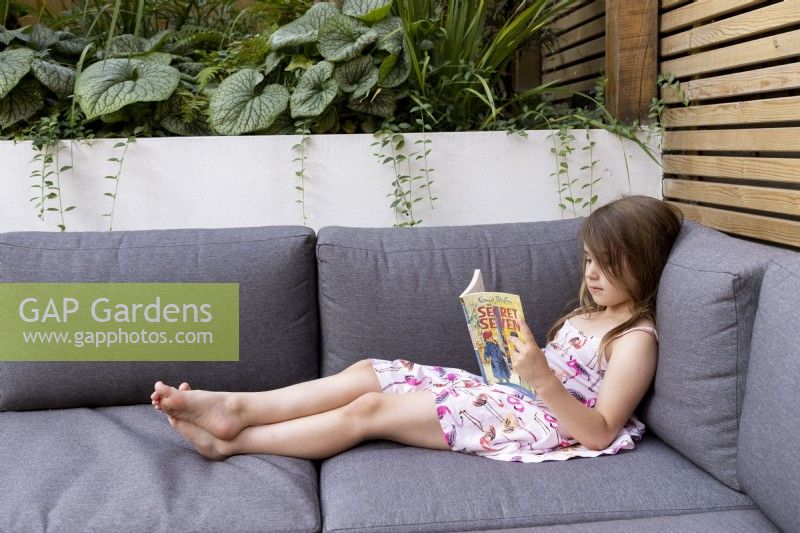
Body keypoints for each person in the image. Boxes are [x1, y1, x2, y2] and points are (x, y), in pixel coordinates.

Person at [151, 195, 683, 463]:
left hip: (545, 423)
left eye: (608, 265)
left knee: (369, 411)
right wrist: (504, 349)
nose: (591, 274)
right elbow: (534, 376)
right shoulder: (588, 313)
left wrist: (540, 378)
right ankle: (237, 407)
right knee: (369, 372)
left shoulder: (634, 340)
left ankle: (233, 444)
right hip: (514, 395)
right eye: (589, 259)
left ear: (645, 264)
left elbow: (600, 429)